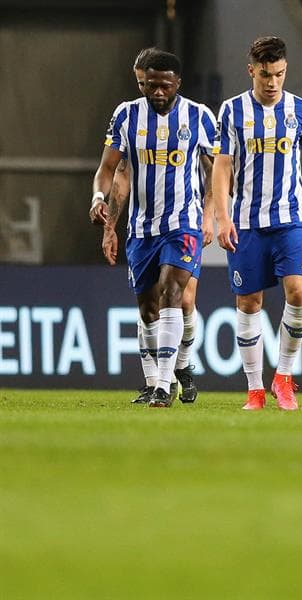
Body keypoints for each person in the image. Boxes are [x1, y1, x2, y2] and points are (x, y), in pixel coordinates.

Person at [212, 36, 302, 411]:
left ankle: (283, 377)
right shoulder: (232, 111)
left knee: (298, 292)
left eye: (279, 74)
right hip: (248, 222)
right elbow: (222, 167)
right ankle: (254, 390)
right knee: (249, 302)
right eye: (265, 75)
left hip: (290, 221)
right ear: (252, 70)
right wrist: (222, 217)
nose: (272, 83)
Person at [92, 50, 217, 408]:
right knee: (147, 308)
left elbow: (217, 173)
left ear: (178, 83)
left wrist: (210, 215)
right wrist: (105, 216)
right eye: (150, 85)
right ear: (142, 82)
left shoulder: (199, 117)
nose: (157, 92)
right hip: (143, 228)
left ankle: (164, 385)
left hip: (184, 224)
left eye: (164, 85)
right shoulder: (126, 115)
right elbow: (112, 171)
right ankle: (161, 376)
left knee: (173, 293)